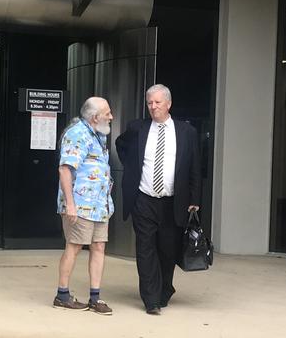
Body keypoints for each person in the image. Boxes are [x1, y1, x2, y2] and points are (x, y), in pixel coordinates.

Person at [115, 84, 202, 315]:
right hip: (143, 198)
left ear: (169, 104)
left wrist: (195, 198)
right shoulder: (137, 128)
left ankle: (164, 289)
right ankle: (151, 299)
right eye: (150, 103)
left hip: (173, 201)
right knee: (145, 249)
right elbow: (120, 145)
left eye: (157, 102)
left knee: (168, 250)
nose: (153, 107)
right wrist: (133, 170)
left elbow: (194, 167)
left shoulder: (186, 132)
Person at [53, 96, 114, 315]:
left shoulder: (98, 134)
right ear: (95, 117)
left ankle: (95, 298)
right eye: (107, 113)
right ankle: (62, 295)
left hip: (99, 206)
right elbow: (65, 170)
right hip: (80, 205)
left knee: (99, 247)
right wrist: (70, 205)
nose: (111, 116)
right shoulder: (77, 134)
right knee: (74, 246)